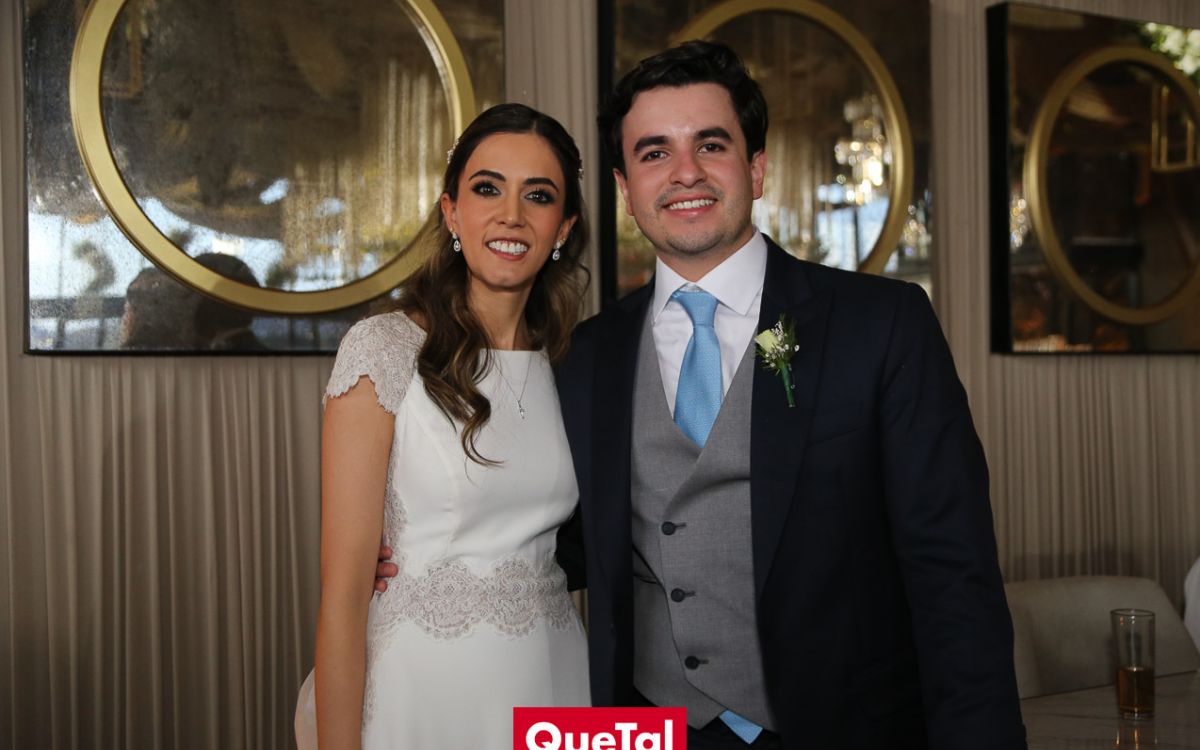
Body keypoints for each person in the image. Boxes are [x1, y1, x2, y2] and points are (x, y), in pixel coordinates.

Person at [551, 41, 1026, 748]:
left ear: (756, 168)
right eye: (654, 153)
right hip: (650, 727)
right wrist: (418, 542)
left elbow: (952, 572)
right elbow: (558, 536)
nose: (685, 172)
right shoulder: (589, 353)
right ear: (625, 187)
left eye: (710, 145)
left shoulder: (882, 324)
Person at [296, 103, 591, 749]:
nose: (511, 214)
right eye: (487, 188)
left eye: (538, 195)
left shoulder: (574, 365)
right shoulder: (383, 349)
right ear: (451, 211)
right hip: (423, 692)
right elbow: (343, 597)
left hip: (556, 684)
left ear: (563, 228)